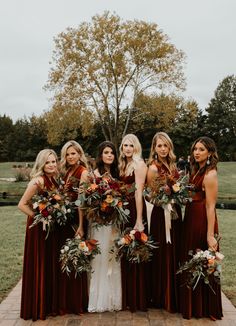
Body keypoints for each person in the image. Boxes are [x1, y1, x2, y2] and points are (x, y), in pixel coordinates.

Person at [179, 136, 223, 320]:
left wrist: (210, 235)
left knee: (202, 257)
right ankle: (191, 305)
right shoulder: (195, 169)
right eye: (195, 149)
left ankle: (204, 307)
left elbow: (210, 206)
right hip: (190, 216)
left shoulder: (210, 173)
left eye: (201, 149)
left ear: (210, 153)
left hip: (202, 220)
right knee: (190, 257)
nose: (197, 152)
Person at [18, 149, 61, 320]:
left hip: (50, 229)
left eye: (53, 161)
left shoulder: (53, 179)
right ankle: (38, 306)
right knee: (40, 264)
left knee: (49, 263)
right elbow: (22, 204)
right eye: (48, 162)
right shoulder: (38, 181)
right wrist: (40, 217)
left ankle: (49, 304)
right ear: (42, 164)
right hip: (38, 229)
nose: (51, 165)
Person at [146, 132, 182, 312]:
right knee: (163, 252)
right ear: (154, 148)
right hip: (161, 216)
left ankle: (174, 294)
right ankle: (161, 296)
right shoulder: (153, 168)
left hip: (175, 214)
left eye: (165, 145)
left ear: (169, 147)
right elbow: (150, 196)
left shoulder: (173, 165)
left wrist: (177, 196)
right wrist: (164, 200)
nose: (162, 149)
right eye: (159, 146)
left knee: (174, 250)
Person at [88, 141, 122, 312]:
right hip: (100, 222)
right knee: (100, 257)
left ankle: (113, 298)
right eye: (106, 152)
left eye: (112, 153)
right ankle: (99, 298)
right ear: (100, 155)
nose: (109, 155)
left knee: (113, 255)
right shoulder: (94, 175)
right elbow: (89, 200)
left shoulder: (117, 173)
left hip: (114, 221)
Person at [59, 140, 89, 315]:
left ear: (79, 154)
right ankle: (65, 300)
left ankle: (76, 302)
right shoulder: (67, 171)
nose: (70, 157)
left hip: (75, 222)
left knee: (76, 259)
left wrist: (80, 225)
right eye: (68, 154)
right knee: (67, 258)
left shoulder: (83, 172)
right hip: (66, 219)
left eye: (73, 153)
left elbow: (81, 201)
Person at [119, 133, 148, 312]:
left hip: (134, 208)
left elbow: (139, 192)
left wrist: (139, 219)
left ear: (136, 147)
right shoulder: (124, 164)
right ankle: (126, 294)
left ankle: (136, 296)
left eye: (130, 145)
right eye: (124, 145)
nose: (127, 148)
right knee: (125, 247)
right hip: (123, 209)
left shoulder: (139, 164)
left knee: (135, 247)